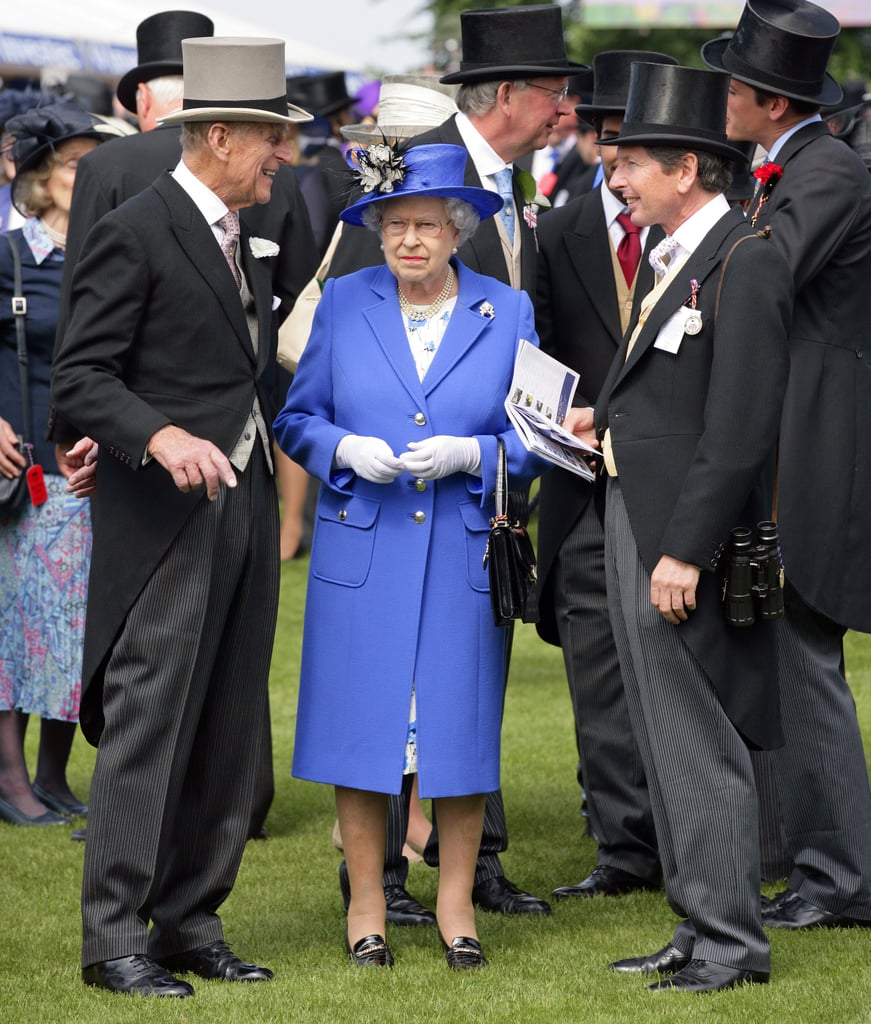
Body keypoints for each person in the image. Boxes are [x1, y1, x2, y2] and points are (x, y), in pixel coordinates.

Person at [50, 36, 312, 997]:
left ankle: (191, 921)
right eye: (271, 141)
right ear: (221, 137)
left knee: (230, 722)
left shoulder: (246, 227)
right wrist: (152, 438)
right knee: (151, 721)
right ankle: (113, 937)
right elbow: (82, 374)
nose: (282, 158)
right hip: (165, 514)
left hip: (238, 499)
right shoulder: (138, 225)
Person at [326, 0, 588, 924]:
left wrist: (503, 440)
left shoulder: (510, 187)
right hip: (383, 483)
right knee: (380, 691)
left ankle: (469, 876)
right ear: (510, 93)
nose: (565, 114)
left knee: (463, 690)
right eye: (556, 94)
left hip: (484, 491)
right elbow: (332, 322)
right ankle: (383, 883)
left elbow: (517, 331)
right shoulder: (415, 162)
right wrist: (359, 437)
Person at [274, 141, 544, 969]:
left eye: (426, 225)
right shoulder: (346, 301)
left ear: (458, 229)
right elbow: (294, 419)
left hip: (460, 557)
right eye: (395, 226)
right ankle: (365, 902)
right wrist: (343, 448)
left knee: (456, 741)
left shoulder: (507, 310)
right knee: (363, 739)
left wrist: (475, 455)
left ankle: (457, 901)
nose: (410, 241)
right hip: (364, 555)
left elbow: (533, 438)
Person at [578, 60, 794, 993]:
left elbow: (740, 429)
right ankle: (696, 923)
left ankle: (730, 944)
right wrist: (603, 417)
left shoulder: (744, 261)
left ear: (688, 171)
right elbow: (670, 398)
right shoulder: (679, 255)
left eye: (632, 163)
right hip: (635, 511)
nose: (616, 178)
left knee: (696, 738)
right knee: (661, 739)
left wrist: (683, 551)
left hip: (679, 539)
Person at [702, 0, 871, 931]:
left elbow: (761, 277)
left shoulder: (829, 172)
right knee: (789, 654)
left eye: (732, 87)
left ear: (768, 103)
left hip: (818, 445)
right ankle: (818, 863)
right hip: (789, 437)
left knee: (805, 657)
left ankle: (841, 878)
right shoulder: (790, 167)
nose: (720, 100)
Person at [535, 50, 680, 902]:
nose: (623, 159)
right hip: (580, 486)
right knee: (595, 664)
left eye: (641, 143)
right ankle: (623, 845)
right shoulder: (555, 233)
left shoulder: (695, 228)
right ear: (588, 140)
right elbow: (540, 353)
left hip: (673, 481)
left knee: (682, 658)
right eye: (613, 140)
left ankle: (694, 828)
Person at [0, 103, 114, 828]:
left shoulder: (109, 252)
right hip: (23, 474)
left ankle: (53, 777)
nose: (90, 173)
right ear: (42, 178)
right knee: (18, 628)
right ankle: (11, 783)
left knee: (76, 628)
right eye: (76, 162)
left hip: (91, 471)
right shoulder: (10, 255)